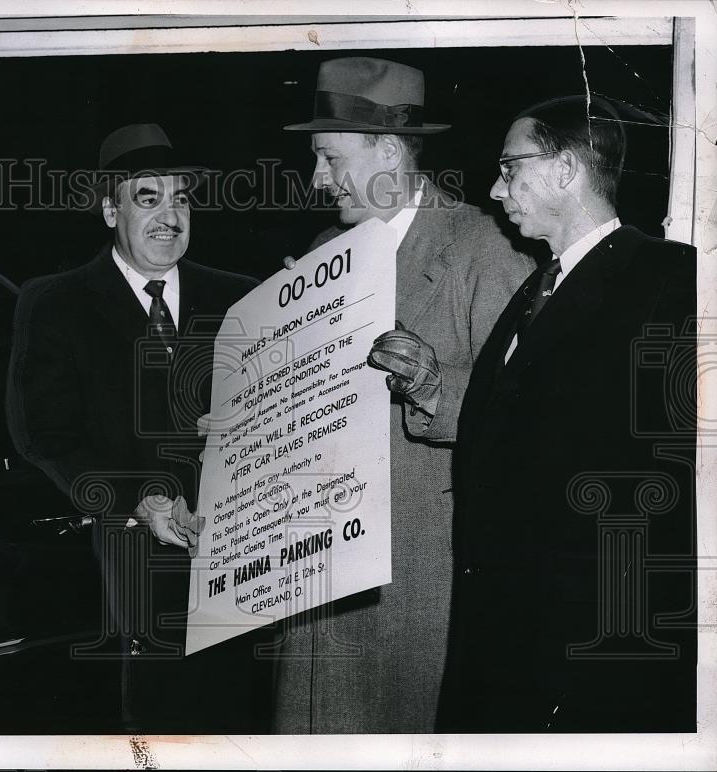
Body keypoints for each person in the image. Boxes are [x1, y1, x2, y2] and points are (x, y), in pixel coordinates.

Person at [272, 56, 534, 733]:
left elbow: (522, 412)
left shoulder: (483, 246)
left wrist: (429, 383)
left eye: (330, 159)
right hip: (321, 561)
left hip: (419, 576)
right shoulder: (324, 248)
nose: (316, 179)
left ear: (389, 151)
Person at [438, 95, 697, 732]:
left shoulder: (670, 278)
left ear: (564, 170)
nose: (497, 190)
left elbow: (673, 480)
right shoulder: (535, 288)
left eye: (510, 167)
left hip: (591, 651)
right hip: (506, 640)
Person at [6, 123, 260, 732]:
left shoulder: (245, 299)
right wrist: (139, 498)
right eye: (149, 197)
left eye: (182, 198)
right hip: (129, 575)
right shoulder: (55, 302)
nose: (170, 215)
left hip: (246, 570)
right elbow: (45, 437)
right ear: (108, 207)